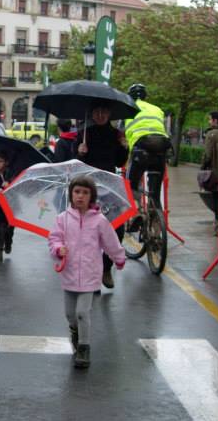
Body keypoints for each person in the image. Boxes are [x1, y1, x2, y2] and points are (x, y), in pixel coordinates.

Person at [48, 175, 127, 369]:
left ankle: (84, 347)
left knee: (82, 312)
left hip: (90, 274)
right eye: (77, 192)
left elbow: (110, 242)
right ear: (71, 194)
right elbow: (54, 239)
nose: (80, 196)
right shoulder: (63, 219)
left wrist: (119, 258)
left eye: (85, 192)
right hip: (69, 273)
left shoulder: (99, 221)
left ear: (92, 196)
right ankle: (75, 331)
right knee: (70, 315)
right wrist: (58, 249)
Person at [76, 102, 128, 288]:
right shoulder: (84, 133)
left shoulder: (116, 134)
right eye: (97, 112)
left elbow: (120, 162)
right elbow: (76, 161)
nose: (100, 115)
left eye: (104, 112)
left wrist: (124, 147)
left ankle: (106, 268)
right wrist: (80, 152)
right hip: (87, 185)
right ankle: (91, 273)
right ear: (92, 114)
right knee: (87, 230)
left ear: (109, 114)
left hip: (109, 185)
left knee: (117, 226)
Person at [123, 82, 171, 214]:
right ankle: (155, 209)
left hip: (141, 147)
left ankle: (135, 212)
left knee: (130, 185)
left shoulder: (128, 109)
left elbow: (121, 134)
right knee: (155, 190)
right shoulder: (157, 109)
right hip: (161, 146)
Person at [200, 110, 218, 235]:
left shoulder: (211, 134)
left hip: (216, 175)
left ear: (215, 121)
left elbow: (207, 155)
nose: (209, 121)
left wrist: (202, 168)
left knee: (216, 200)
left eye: (210, 119)